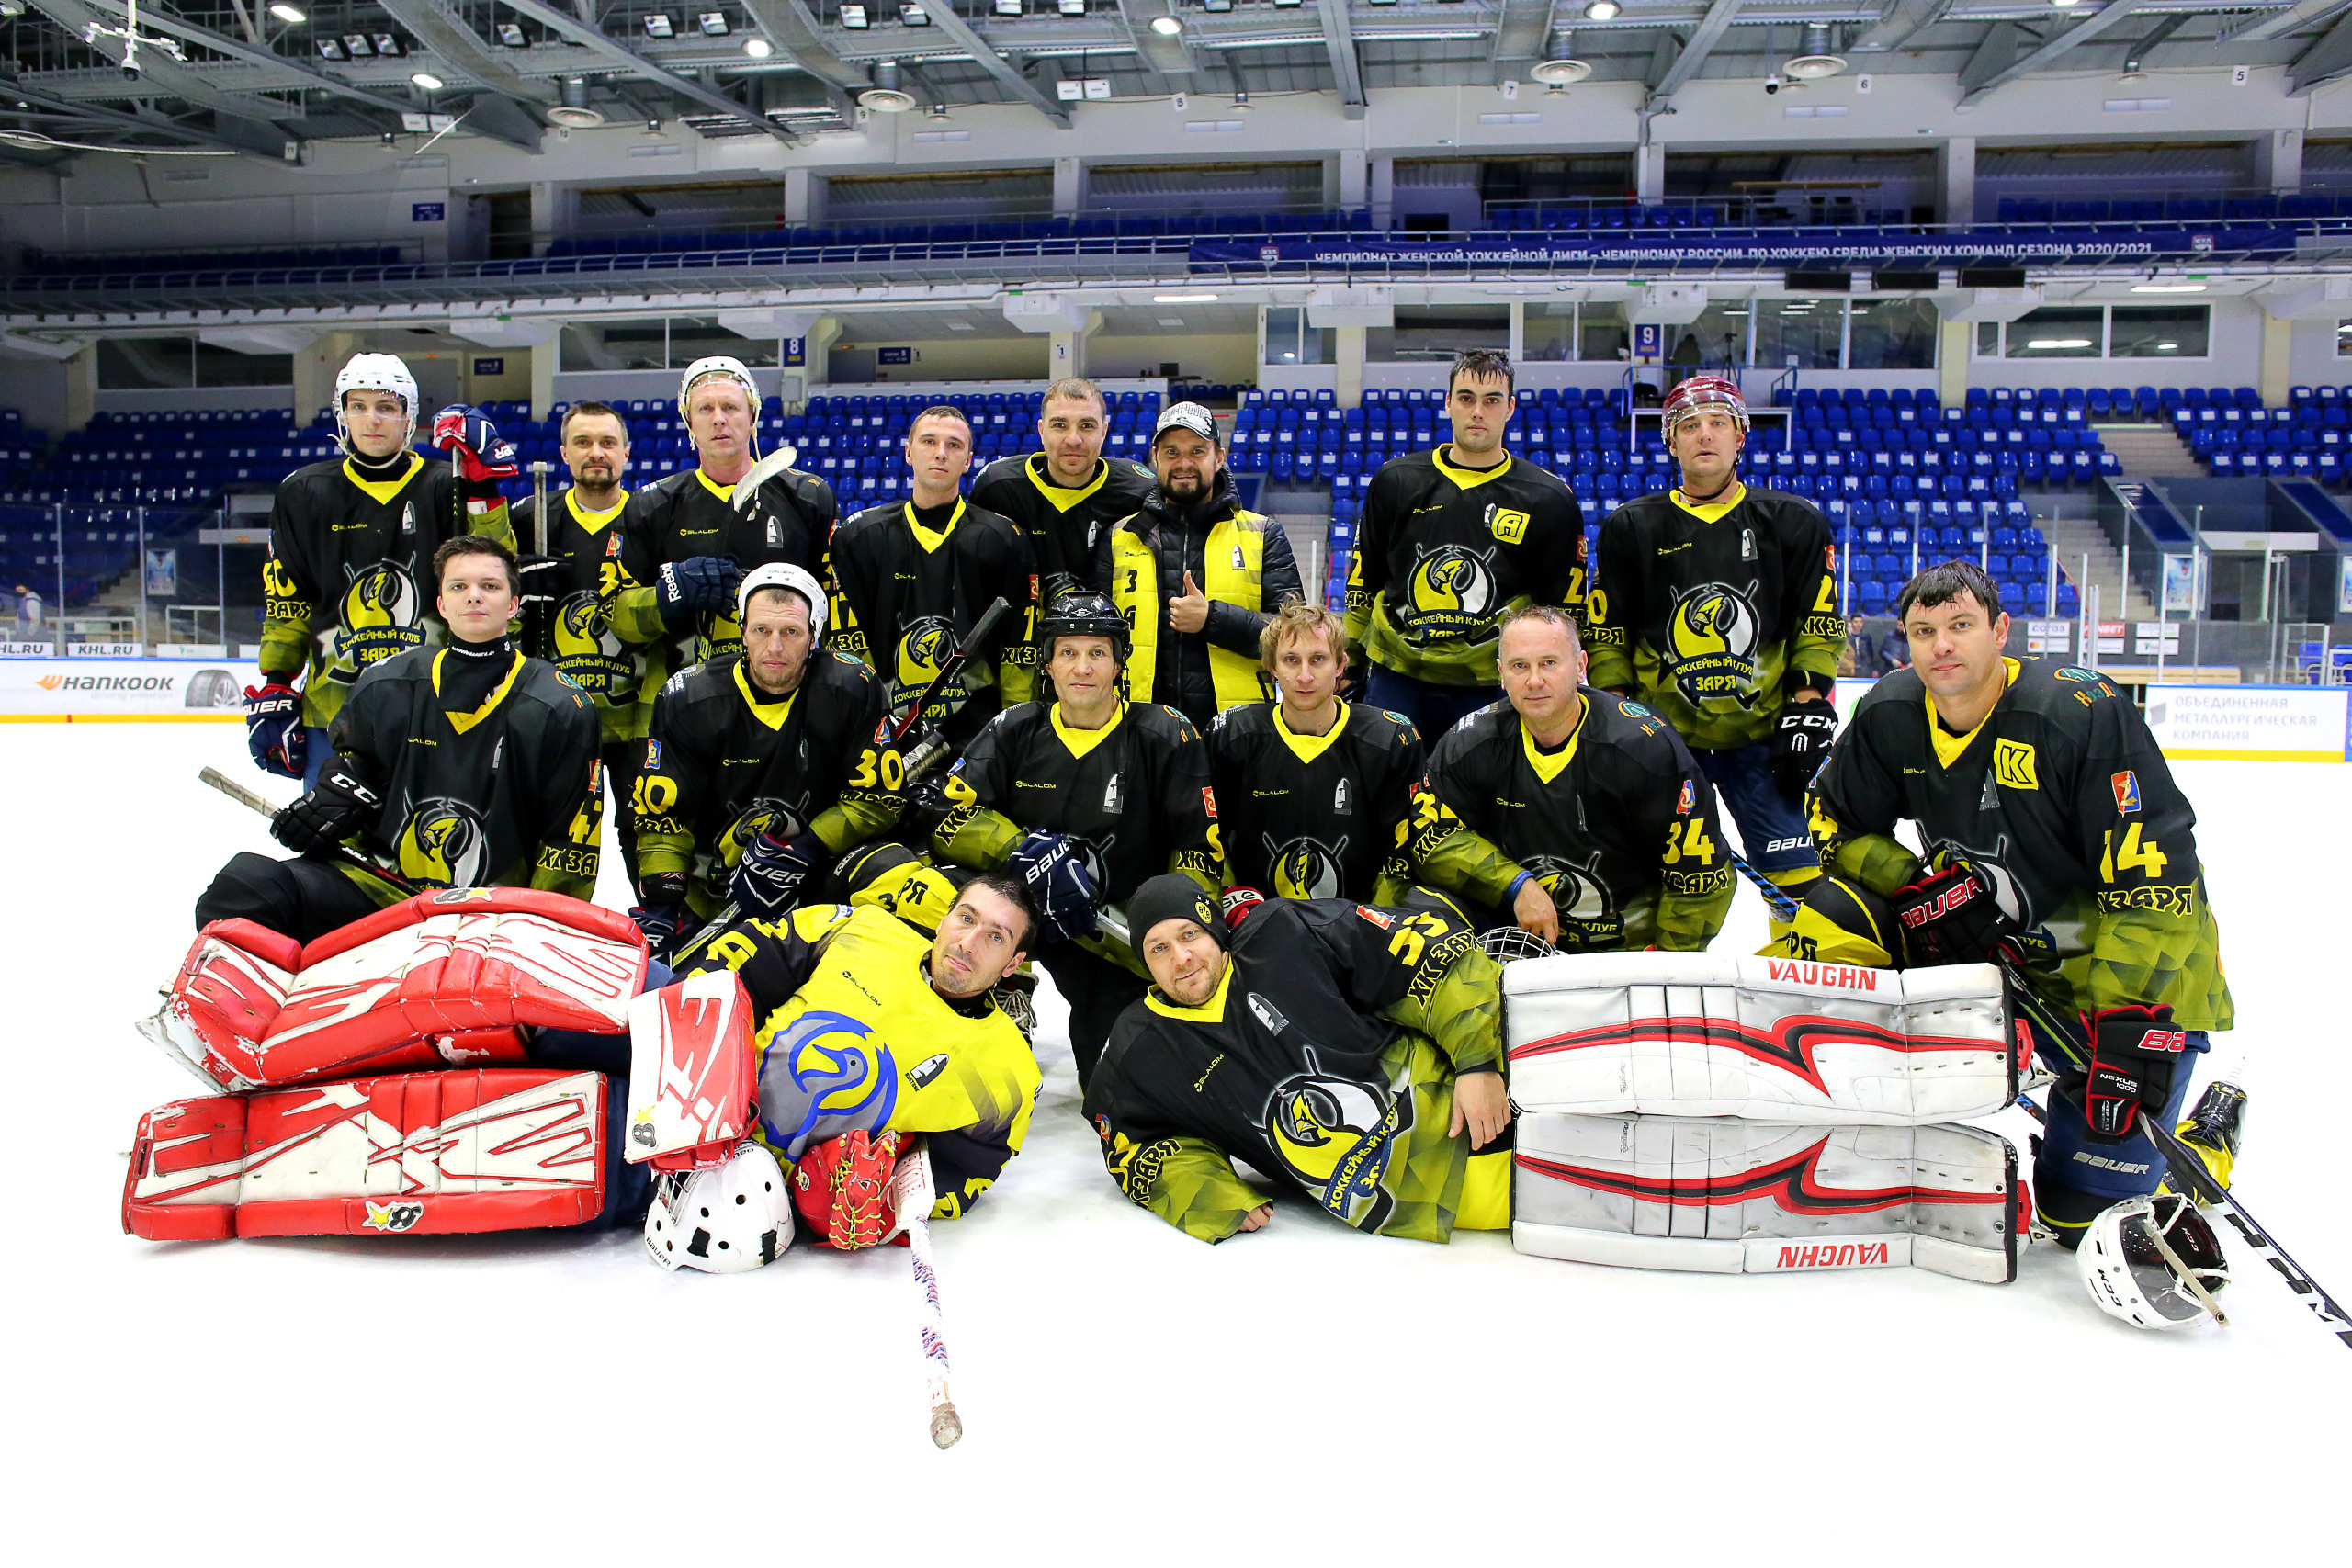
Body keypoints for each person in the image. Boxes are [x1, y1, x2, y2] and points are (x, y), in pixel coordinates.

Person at [1783, 558, 2234, 1248]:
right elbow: (1831, 822)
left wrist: (2125, 1020)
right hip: (1998, 957)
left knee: (2076, 1219)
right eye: (1924, 630)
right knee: (1838, 907)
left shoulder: (2079, 712)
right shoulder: (1891, 712)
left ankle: (2204, 1142)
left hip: (2138, 987)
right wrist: (1918, 888)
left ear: (2001, 630)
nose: (1942, 646)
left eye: (1961, 626)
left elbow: (2157, 883)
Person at [198, 535, 603, 944]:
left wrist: (536, 927)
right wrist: (333, 799)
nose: (474, 597)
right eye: (458, 587)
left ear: (514, 604)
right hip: (379, 894)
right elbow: (354, 768)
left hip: (492, 917)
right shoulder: (387, 682)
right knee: (245, 887)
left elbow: (570, 837)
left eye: (491, 586)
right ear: (441, 604)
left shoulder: (560, 704)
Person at [1083, 874, 1510, 1243]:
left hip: (1486, 1112)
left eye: (1189, 934)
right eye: (1158, 949)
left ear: (1213, 929)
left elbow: (1429, 954)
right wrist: (1212, 1196)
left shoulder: (1286, 933)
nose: (1181, 958)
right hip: (1424, 1207)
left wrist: (1477, 1063)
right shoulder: (1136, 1050)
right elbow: (1139, 1147)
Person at [926, 590, 1225, 1088]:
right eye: (1068, 652)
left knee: (1116, 1080)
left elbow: (1199, 850)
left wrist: (1168, 928)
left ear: (1117, 663)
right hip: (1023, 915)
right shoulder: (1014, 728)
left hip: (1109, 929)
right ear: (1047, 665)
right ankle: (1004, 985)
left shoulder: (1166, 733)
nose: (1082, 667)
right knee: (932, 902)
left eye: (1097, 653)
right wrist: (1022, 851)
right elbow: (942, 812)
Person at [1584, 374, 1843, 937]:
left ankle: (1802, 981)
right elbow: (1608, 633)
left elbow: (1816, 621)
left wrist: (1809, 702)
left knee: (1802, 884)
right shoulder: (1632, 527)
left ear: (1740, 436)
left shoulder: (1794, 522)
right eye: (1690, 426)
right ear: (1670, 442)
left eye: (1718, 424)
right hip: (1665, 744)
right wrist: (1618, 720)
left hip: (1763, 740)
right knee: (1658, 876)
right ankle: (1655, 991)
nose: (1705, 436)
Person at [672, 854, 1046, 1233]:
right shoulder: (860, 929)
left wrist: (883, 1198)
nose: (968, 943)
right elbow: (743, 961)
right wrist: (688, 1051)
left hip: (775, 1211)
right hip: (687, 1112)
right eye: (965, 918)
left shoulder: (1008, 1073)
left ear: (1013, 964)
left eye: (996, 937)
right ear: (942, 921)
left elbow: (960, 1174)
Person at [246, 352, 517, 788]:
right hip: (334, 709)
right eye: (359, 406)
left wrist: (484, 488)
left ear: (408, 415)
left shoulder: (445, 486)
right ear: (342, 414)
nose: (372, 420)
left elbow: (498, 572)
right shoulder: (302, 493)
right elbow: (287, 599)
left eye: (387, 407)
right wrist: (277, 683)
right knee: (332, 848)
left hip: (436, 706)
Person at [1408, 604, 1733, 953]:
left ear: (1580, 667)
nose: (1534, 680)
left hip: (1633, 945)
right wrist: (1516, 884)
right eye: (1520, 666)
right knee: (1419, 907)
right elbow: (1432, 839)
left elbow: (1699, 876)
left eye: (1549, 662)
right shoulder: (1469, 743)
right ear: (1502, 674)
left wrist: (1669, 966)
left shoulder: (1643, 746)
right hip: (1520, 933)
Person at [631, 562, 904, 945]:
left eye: (790, 632)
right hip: (717, 894)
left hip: (821, 886)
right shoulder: (687, 698)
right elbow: (664, 818)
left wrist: (806, 847)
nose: (774, 647)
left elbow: (878, 801)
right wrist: (661, 906)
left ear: (814, 637)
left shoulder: (853, 687)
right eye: (761, 630)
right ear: (743, 631)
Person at [1343, 348, 1584, 739]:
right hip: (1398, 675)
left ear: (1510, 408)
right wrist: (1349, 661)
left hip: (1493, 679)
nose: (1477, 412)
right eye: (1467, 398)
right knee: (1394, 796)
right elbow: (1363, 582)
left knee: (1486, 799)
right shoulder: (1395, 481)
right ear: (1448, 403)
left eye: (1491, 401)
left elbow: (1563, 607)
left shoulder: (1548, 497)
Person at [826, 404, 1038, 750]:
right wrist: (861, 720)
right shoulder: (860, 537)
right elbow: (846, 640)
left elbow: (1018, 647)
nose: (941, 454)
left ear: (968, 460)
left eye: (954, 445)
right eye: (929, 442)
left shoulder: (1004, 539)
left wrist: (1012, 730)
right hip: (882, 732)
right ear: (909, 452)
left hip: (977, 736)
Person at [607, 355, 835, 676]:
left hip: (789, 692)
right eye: (705, 409)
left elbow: (836, 604)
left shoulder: (807, 496)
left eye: (730, 407)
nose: (718, 419)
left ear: (752, 415)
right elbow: (617, 618)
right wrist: (667, 597)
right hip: (683, 697)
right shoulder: (651, 505)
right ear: (689, 421)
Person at [1090, 400, 1303, 734]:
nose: (1184, 463)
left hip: (1239, 728)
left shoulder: (1263, 534)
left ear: (1219, 457)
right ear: (1155, 458)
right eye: (1172, 452)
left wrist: (1211, 619)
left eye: (1197, 451)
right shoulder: (1120, 537)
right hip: (1137, 725)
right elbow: (1098, 637)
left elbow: (1293, 636)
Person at [513, 400, 654, 896]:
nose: (596, 453)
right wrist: (519, 597)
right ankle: (551, 935)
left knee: (647, 833)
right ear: (564, 453)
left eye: (607, 442)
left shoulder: (649, 519)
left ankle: (659, 927)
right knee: (559, 836)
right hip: (558, 713)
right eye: (583, 442)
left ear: (627, 452)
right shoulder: (529, 518)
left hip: (636, 714)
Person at [1206, 601, 1423, 904]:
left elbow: (1399, 857)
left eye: (1318, 659)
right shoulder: (1231, 735)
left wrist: (1375, 929)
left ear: (1340, 664)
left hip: (1356, 926)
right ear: (1273, 668)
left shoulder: (1389, 739)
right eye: (1291, 660)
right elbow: (1208, 840)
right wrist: (1233, 906)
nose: (1304, 676)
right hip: (1257, 923)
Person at [969, 376, 1157, 602]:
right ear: (1041, 430)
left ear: (1104, 431)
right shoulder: (997, 486)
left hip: (1107, 631)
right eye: (1060, 425)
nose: (1073, 439)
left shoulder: (1139, 489)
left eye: (1087, 426)